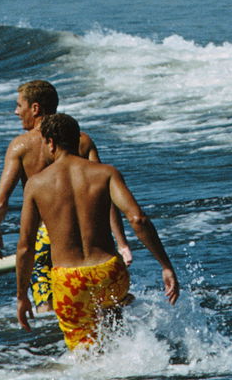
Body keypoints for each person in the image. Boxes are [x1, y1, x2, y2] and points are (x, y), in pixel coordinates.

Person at [14, 113, 179, 349]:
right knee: (115, 335)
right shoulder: (105, 173)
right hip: (108, 273)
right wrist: (165, 265)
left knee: (86, 355)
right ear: (76, 139)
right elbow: (138, 219)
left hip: (69, 280)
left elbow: (25, 246)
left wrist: (22, 296)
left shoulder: (37, 184)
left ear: (50, 142)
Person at [0, 80, 130, 319]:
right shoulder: (82, 141)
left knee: (48, 306)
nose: (15, 111)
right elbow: (105, 193)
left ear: (35, 108)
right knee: (106, 308)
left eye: (19, 105)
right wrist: (121, 242)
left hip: (47, 236)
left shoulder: (20, 146)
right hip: (90, 236)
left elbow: (0, 201)